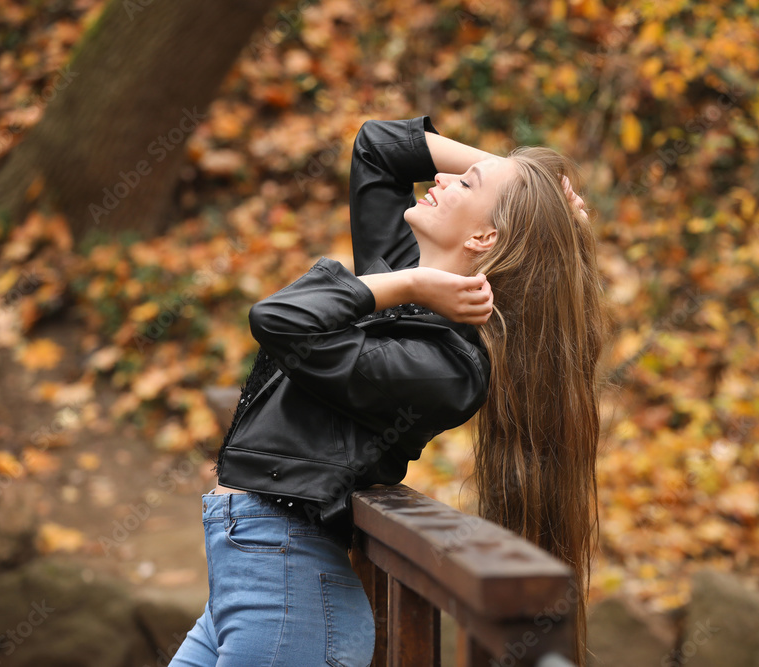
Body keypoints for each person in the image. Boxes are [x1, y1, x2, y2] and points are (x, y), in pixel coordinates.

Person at [169, 115, 606, 667]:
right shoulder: (403, 281)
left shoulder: (447, 365)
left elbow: (280, 320)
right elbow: (379, 147)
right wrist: (504, 174)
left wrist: (409, 283)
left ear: (482, 237)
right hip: (248, 578)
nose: (439, 180)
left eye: (464, 183)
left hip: (287, 595)